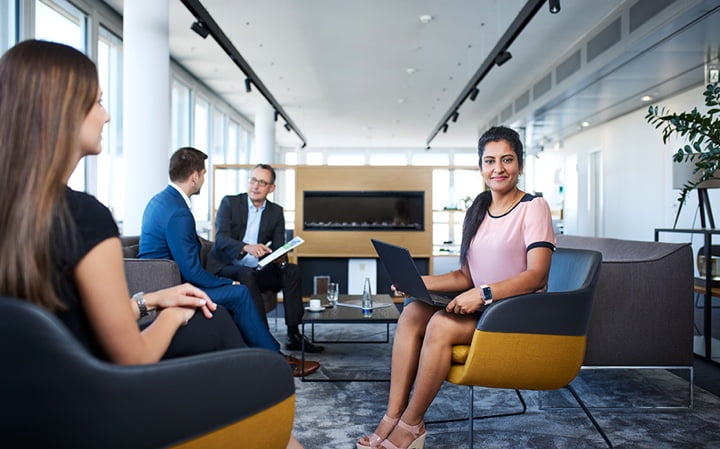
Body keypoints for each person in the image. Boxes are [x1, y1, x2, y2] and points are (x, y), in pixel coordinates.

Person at [356, 126, 556, 449]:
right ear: (481, 168)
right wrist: (418, 283)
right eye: (490, 161)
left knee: (440, 323)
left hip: (515, 312)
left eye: (507, 160)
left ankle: (411, 425)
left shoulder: (534, 208)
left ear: (520, 164)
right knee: (413, 312)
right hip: (481, 307)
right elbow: (466, 274)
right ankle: (392, 416)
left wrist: (483, 293)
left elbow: (537, 276)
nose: (498, 169)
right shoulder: (478, 210)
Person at [138, 147, 319, 376]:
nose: (203, 179)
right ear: (195, 176)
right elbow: (192, 271)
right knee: (240, 292)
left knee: (262, 281)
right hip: (170, 287)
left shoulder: (161, 200)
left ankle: (257, 355)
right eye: (203, 174)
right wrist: (223, 283)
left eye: (261, 182)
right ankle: (276, 360)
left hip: (166, 280)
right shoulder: (180, 212)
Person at [207, 163, 324, 353]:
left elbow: (278, 246)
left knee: (292, 269)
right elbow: (220, 240)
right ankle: (263, 336)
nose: (255, 186)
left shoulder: (276, 211)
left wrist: (280, 258)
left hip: (258, 268)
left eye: (262, 182)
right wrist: (246, 247)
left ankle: (293, 334)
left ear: (271, 188)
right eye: (253, 180)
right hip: (228, 266)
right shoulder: (229, 202)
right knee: (246, 273)